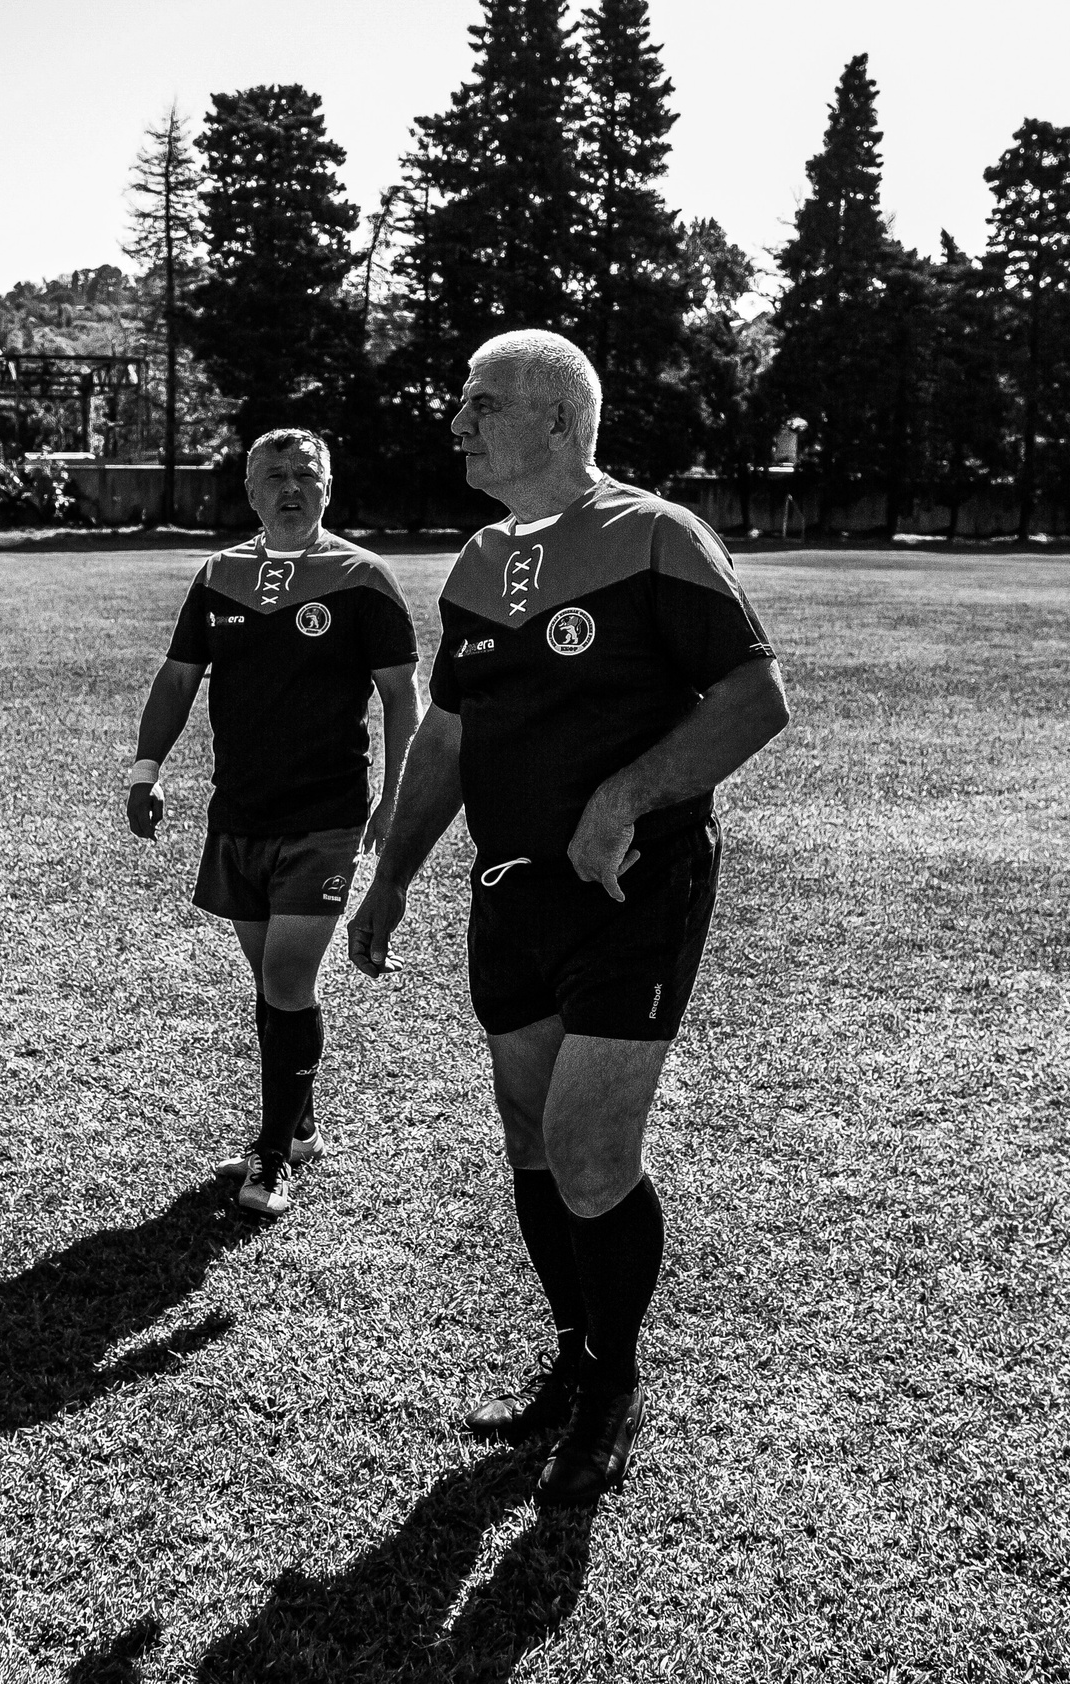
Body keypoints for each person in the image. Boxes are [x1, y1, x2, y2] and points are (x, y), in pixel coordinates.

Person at [347, 330, 790, 1505]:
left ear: (555, 420)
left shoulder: (653, 534)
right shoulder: (477, 559)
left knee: (594, 1152)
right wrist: (393, 872)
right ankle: (574, 1350)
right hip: (512, 891)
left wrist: (623, 797)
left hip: (631, 886)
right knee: (532, 1138)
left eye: (478, 403)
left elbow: (757, 696)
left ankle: (613, 1379)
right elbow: (450, 733)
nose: (456, 423)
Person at [129, 428, 420, 1218]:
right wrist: (146, 770)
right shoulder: (220, 575)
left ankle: (270, 1158)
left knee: (289, 980)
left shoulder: (362, 577)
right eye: (275, 476)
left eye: (307, 475)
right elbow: (179, 675)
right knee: (271, 983)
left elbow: (402, 697)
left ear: (329, 488)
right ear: (249, 491)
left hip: (325, 817)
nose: (292, 488)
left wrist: (394, 800)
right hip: (239, 815)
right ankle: (299, 1129)